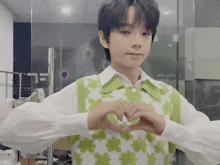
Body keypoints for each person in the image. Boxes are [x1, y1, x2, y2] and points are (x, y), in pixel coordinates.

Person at [0, 0, 220, 164]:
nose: (137, 43)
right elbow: (10, 131)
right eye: (125, 32)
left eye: (145, 33)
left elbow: (214, 149)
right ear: (104, 38)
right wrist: (83, 121)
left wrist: (167, 128)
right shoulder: (84, 89)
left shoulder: (168, 95)